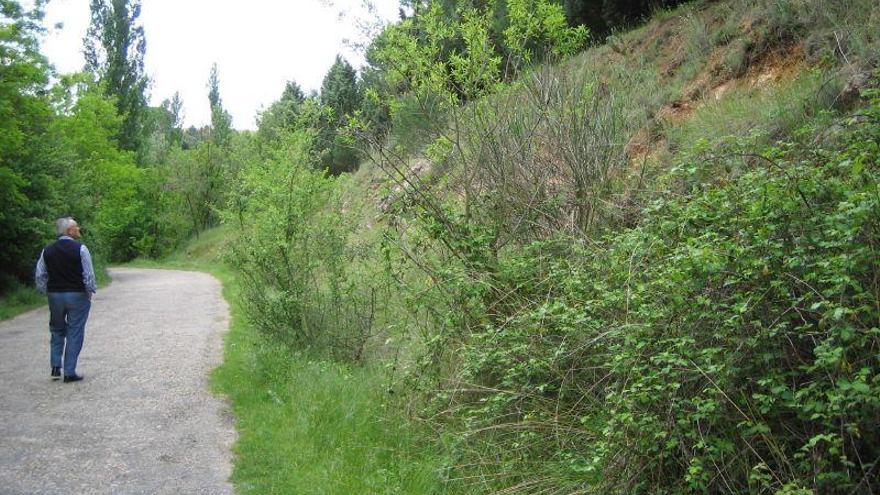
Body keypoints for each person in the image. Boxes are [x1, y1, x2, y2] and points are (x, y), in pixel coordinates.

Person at [35, 217, 97, 383]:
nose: (79, 229)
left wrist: (44, 290)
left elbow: (40, 273)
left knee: (56, 329)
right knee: (75, 331)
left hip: (55, 295)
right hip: (77, 294)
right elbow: (88, 273)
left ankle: (55, 366)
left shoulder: (47, 250)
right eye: (76, 227)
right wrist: (90, 290)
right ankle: (69, 371)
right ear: (69, 231)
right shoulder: (80, 249)